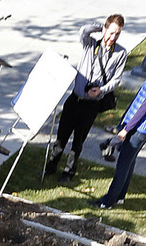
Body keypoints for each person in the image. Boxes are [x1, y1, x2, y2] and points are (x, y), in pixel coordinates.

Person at [46, 15, 127, 181]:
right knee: (61, 138)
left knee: (78, 142)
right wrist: (100, 28)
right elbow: (83, 31)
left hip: (92, 105)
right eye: (111, 32)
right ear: (105, 29)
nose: (113, 38)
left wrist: (101, 90)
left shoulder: (120, 53)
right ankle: (51, 166)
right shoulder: (90, 44)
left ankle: (69, 172)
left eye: (117, 34)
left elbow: (116, 79)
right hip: (75, 99)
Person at [96, 75, 146, 210]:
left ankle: (107, 202)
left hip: (138, 129)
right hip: (138, 128)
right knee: (130, 162)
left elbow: (143, 109)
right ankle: (120, 196)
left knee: (123, 165)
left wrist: (127, 129)